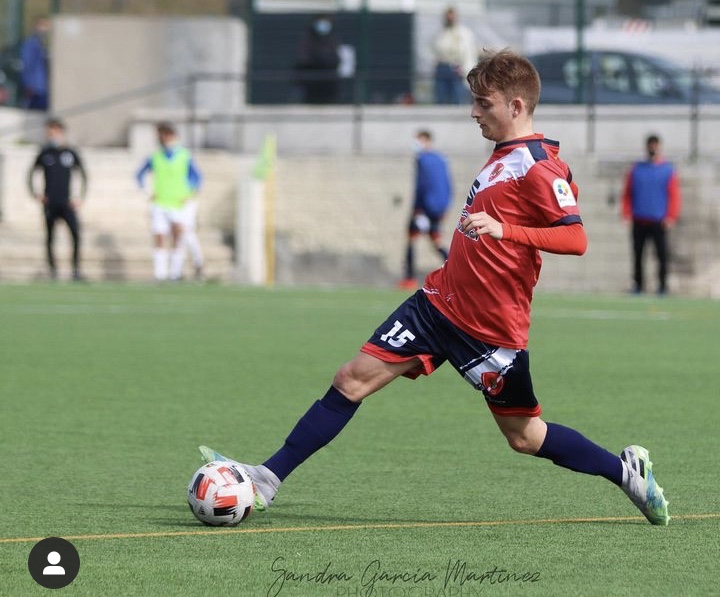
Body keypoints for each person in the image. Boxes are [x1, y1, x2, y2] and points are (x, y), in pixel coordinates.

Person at [199, 50, 670, 526]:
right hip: (437, 303)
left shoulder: (539, 166)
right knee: (350, 380)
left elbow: (576, 239)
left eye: (483, 103)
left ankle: (625, 472)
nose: (473, 112)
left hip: (489, 329)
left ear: (515, 105)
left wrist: (505, 230)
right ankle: (267, 478)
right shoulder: (503, 155)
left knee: (525, 437)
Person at [136, 122, 203, 282]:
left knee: (177, 237)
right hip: (160, 203)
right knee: (159, 237)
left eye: (165, 135)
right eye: (160, 135)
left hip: (178, 203)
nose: (163, 138)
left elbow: (197, 177)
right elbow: (139, 175)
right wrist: (146, 192)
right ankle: (160, 274)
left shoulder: (184, 155)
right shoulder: (155, 156)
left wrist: (190, 193)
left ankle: (175, 273)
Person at [621, 134, 682, 295]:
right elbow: (627, 193)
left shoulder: (667, 170)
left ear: (659, 147)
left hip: (659, 220)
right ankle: (638, 285)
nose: (653, 149)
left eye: (655, 146)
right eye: (651, 145)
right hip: (639, 219)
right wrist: (626, 213)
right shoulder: (636, 169)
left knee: (662, 255)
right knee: (638, 255)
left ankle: (662, 286)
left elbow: (674, 195)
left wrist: (671, 216)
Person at [28, 118, 87, 281]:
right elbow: (31, 173)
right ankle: (53, 270)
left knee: (75, 234)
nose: (51, 135)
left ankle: (75, 270)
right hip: (50, 203)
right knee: (50, 237)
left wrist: (79, 197)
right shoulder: (45, 153)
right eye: (49, 132)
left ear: (60, 132)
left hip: (67, 203)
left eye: (54, 132)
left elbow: (83, 175)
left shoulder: (70, 153)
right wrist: (36, 194)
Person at [399, 130, 452, 289]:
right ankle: (456, 271)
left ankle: (409, 278)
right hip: (438, 208)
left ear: (427, 140)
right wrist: (444, 207)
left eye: (419, 140)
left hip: (424, 208)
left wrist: (417, 208)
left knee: (411, 238)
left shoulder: (422, 159)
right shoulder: (441, 159)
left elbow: (422, 185)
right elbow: (448, 185)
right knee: (436, 240)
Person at [432, 7, 478, 105]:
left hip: (456, 68)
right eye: (447, 17)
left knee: (457, 99)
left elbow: (468, 53)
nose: (449, 19)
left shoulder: (464, 33)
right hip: (442, 67)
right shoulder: (441, 33)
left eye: (451, 17)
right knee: (440, 99)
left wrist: (466, 70)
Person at [295, 15, 341, 104]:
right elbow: (302, 60)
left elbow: (337, 59)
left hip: (328, 81)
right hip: (312, 82)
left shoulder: (332, 40)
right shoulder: (307, 40)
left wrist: (326, 61)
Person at [20, 16, 50, 111]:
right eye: (43, 25)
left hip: (42, 88)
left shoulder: (41, 44)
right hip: (35, 89)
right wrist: (29, 85)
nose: (45, 29)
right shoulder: (31, 44)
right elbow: (27, 65)